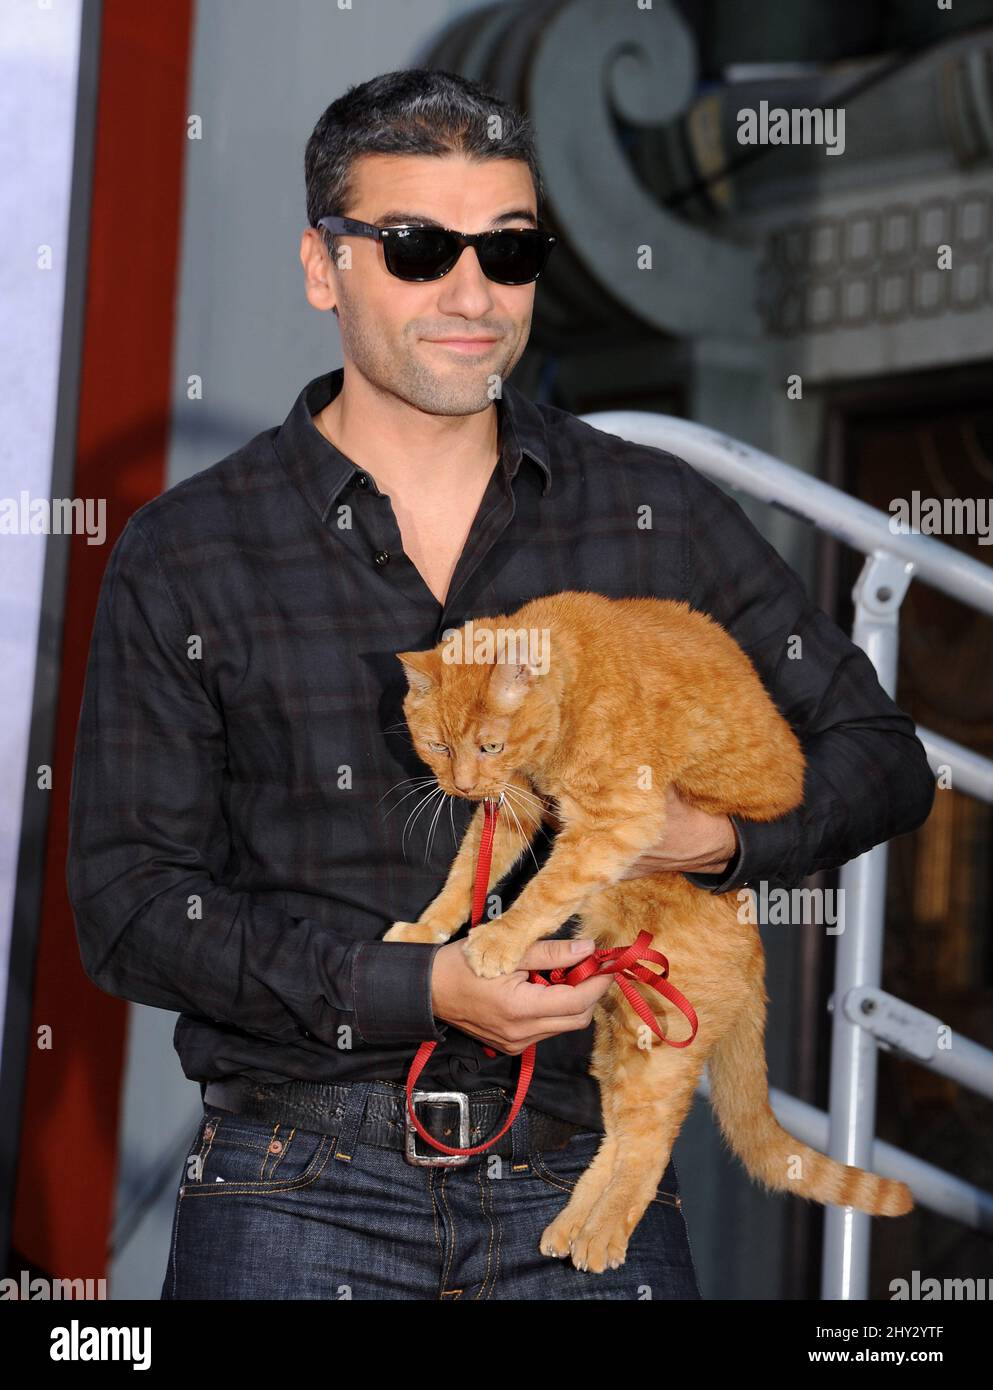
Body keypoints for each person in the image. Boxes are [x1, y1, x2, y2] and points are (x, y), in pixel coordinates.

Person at [66, 68, 934, 1301]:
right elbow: (130, 904)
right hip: (296, 1182)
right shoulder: (189, 550)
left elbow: (878, 755)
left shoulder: (656, 511)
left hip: (590, 1180)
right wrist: (420, 984)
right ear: (325, 268)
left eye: (509, 250)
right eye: (419, 247)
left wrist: (713, 841)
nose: (472, 293)